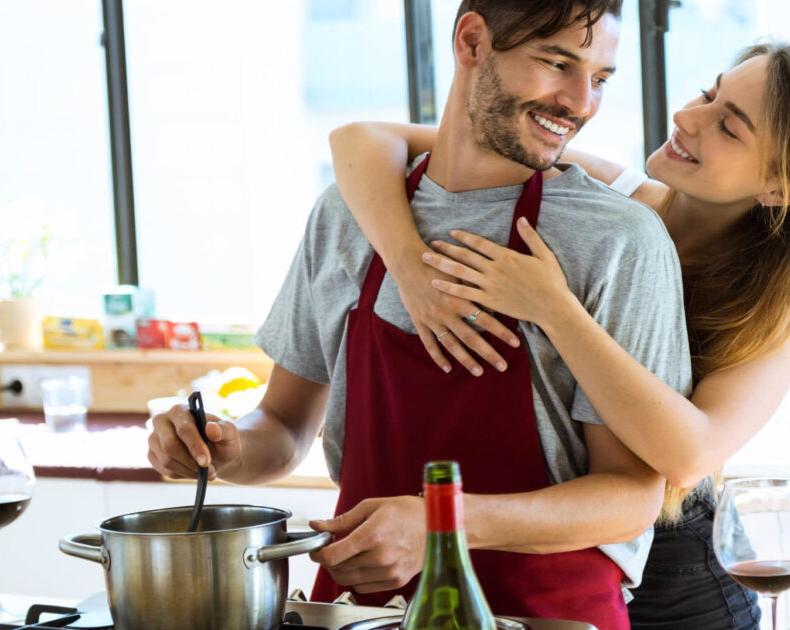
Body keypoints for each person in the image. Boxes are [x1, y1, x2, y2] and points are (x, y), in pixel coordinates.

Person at [146, 2, 693, 630]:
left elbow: (631, 497)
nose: (580, 102)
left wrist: (440, 522)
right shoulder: (349, 214)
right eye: (556, 63)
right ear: (471, 41)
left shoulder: (617, 239)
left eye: (599, 78)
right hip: (358, 613)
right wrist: (226, 447)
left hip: (548, 616)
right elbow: (283, 426)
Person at [327, 40, 790, 629]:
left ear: (779, 187)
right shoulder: (607, 197)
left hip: (680, 582)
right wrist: (409, 264)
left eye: (728, 125)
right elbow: (361, 140)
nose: (687, 117)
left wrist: (556, 309)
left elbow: (688, 454)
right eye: (708, 93)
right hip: (555, 553)